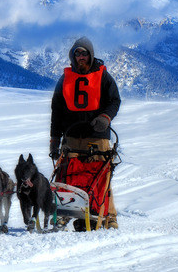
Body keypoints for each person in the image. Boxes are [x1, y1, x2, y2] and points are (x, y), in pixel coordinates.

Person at [50, 36, 121, 229]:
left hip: (98, 137)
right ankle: (65, 213)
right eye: (77, 53)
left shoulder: (103, 76)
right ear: (72, 56)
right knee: (66, 177)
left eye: (84, 53)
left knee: (101, 178)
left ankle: (109, 217)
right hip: (71, 137)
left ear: (91, 55)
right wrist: (54, 140)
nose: (81, 57)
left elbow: (115, 101)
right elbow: (56, 111)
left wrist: (105, 118)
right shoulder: (65, 79)